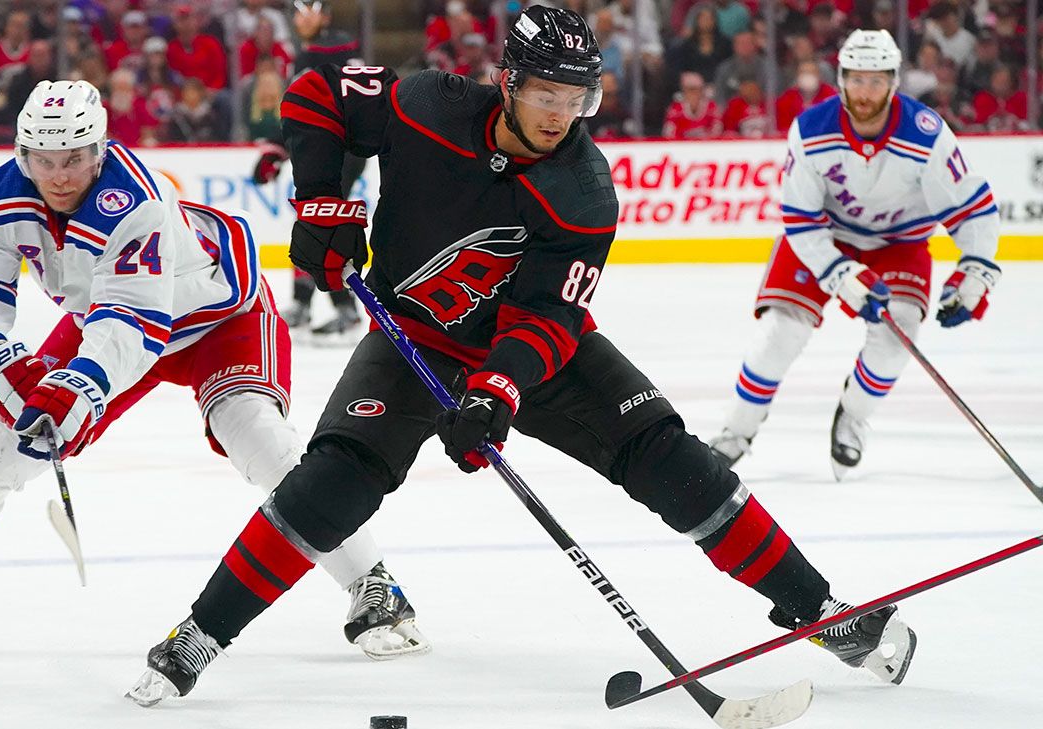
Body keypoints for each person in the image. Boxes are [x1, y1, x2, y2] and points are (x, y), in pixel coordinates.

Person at [124, 7, 918, 708]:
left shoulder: (582, 188)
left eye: (577, 100)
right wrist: (323, 199)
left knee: (668, 455)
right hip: (414, 341)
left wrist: (496, 391)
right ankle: (198, 635)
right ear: (509, 81)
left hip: (534, 356)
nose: (560, 115)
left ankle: (821, 612)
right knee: (332, 480)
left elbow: (548, 314)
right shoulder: (428, 105)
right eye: (547, 95)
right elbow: (315, 90)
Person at [0, 80, 429, 663]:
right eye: (43, 158)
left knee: (263, 445)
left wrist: (73, 388)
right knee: (1, 448)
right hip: (109, 322)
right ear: (21, 152)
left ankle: (374, 583)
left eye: (76, 157)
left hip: (218, 318)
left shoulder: (138, 198)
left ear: (102, 147)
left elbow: (131, 321)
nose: (59, 174)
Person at [708, 30, 1001, 479]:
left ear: (894, 82)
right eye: (857, 80)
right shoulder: (810, 130)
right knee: (779, 334)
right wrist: (840, 275)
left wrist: (976, 272)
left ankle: (853, 416)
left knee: (896, 337)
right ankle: (736, 432)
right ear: (841, 80)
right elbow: (800, 218)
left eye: (877, 81)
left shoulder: (926, 135)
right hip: (826, 238)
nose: (866, 92)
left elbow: (973, 208)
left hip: (899, 245)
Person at [250, 0, 364, 341]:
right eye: (298, 11)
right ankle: (311, 304)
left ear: (325, 15)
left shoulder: (330, 49)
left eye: (309, 9)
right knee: (313, 222)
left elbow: (312, 109)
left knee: (319, 223)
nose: (301, 17)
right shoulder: (310, 52)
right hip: (328, 148)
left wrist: (278, 147)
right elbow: (302, 110)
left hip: (339, 149)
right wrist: (278, 148)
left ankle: (342, 309)